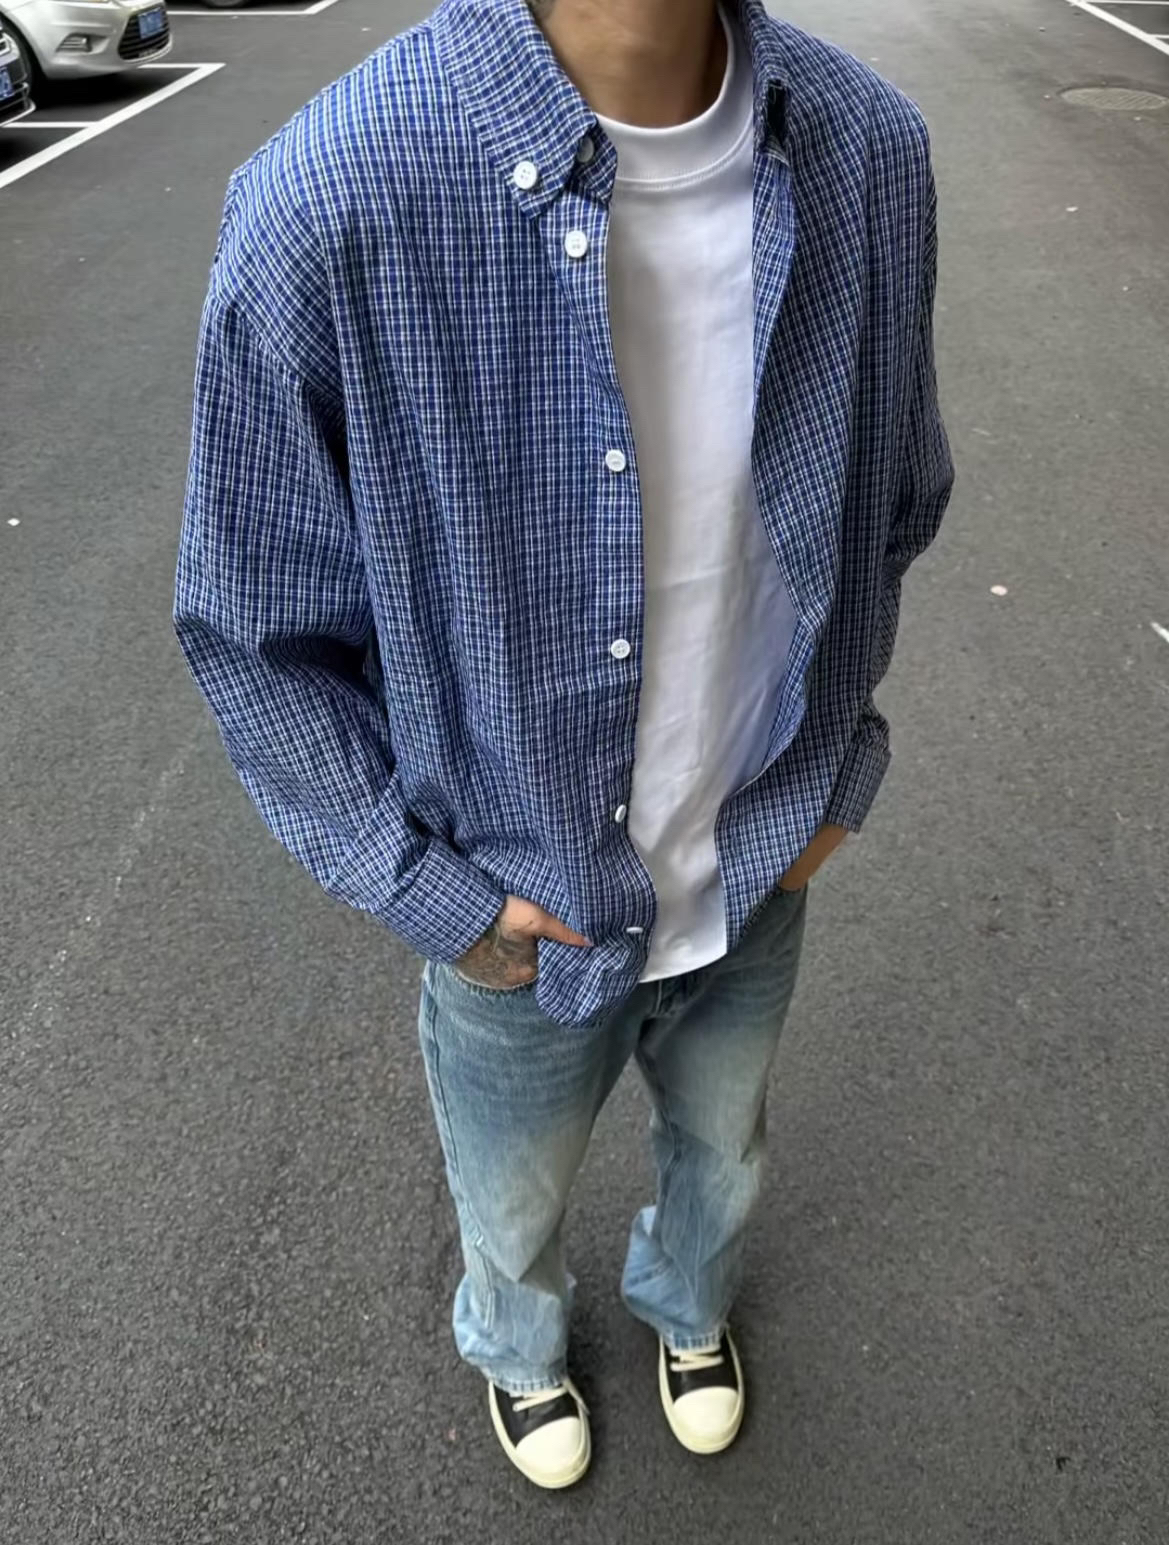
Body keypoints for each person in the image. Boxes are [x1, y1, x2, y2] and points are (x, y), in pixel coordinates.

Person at [175, 0, 953, 1492]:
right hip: (517, 901)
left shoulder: (869, 152)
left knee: (723, 1149)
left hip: (756, 857)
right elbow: (253, 629)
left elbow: (893, 494)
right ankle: (518, 1343)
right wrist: (433, 891)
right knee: (512, 1188)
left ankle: (688, 1306)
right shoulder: (330, 197)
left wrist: (834, 776)